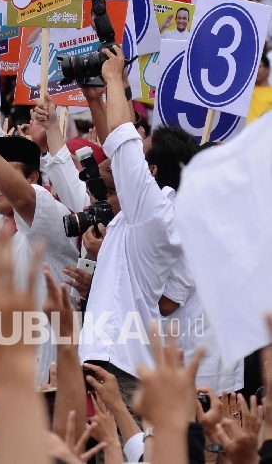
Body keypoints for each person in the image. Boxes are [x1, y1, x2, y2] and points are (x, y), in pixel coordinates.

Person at [79, 45, 199, 409]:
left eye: (142, 155)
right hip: (123, 357)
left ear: (153, 172)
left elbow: (124, 141)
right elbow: (120, 150)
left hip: (118, 358)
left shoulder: (152, 210)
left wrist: (114, 78)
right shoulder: (163, 211)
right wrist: (96, 99)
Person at [0, 90, 79, 389]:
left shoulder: (51, 218)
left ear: (33, 179)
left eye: (1, 176)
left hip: (48, 384)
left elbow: (21, 198)